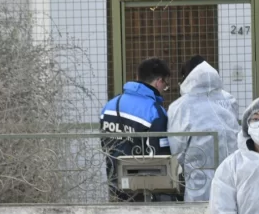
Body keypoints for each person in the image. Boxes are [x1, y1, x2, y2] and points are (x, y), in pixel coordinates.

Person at [100, 58, 173, 202]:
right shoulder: (154, 111)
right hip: (144, 190)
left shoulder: (109, 106)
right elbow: (160, 155)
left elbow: (105, 144)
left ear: (138, 77)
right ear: (159, 81)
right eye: (165, 85)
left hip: (115, 183)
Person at [167, 56, 239, 201]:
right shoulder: (228, 99)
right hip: (232, 173)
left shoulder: (181, 106)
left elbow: (177, 146)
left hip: (198, 176)